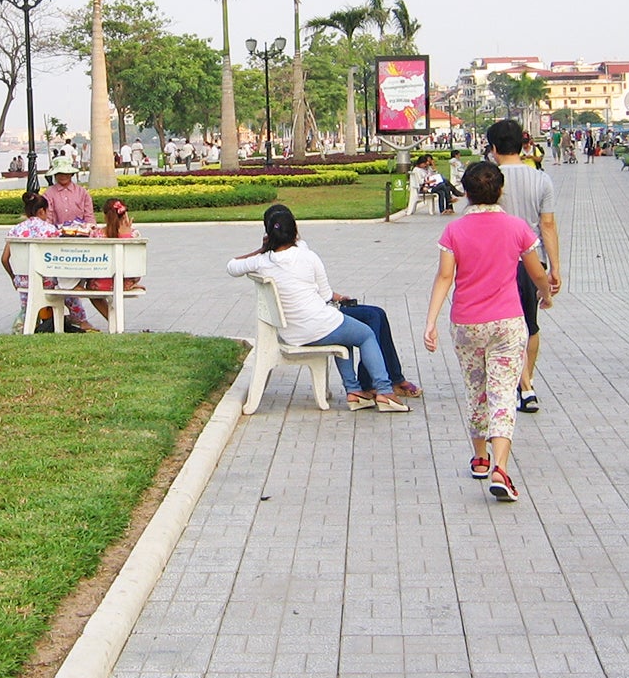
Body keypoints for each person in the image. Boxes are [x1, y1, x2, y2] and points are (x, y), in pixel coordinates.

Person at [423, 161, 554, 503]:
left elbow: (444, 277)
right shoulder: (516, 228)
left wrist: (431, 321)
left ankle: (479, 457)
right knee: (502, 392)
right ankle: (500, 467)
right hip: (507, 323)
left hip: (466, 322)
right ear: (501, 190)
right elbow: (537, 272)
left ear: (465, 192)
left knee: (476, 389)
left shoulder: (453, 232)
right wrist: (546, 293)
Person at [228, 206, 407, 412]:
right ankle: (384, 391)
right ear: (294, 231)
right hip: (317, 325)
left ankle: (355, 392)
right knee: (365, 335)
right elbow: (325, 296)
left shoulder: (261, 262)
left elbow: (231, 266)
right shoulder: (308, 256)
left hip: (292, 333)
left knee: (343, 335)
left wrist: (262, 250)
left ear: (268, 235)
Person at [262, 205, 423, 398]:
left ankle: (394, 377)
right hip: (317, 317)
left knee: (378, 313)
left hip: (309, 315)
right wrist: (334, 297)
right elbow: (323, 294)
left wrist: (338, 297)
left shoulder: (266, 259)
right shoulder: (301, 252)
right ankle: (372, 383)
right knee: (372, 318)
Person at [482, 119, 561, 413]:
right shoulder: (541, 180)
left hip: (496, 263)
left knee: (504, 325)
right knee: (529, 325)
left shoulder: (488, 178)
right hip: (532, 261)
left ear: (492, 148)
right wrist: (554, 267)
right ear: (524, 144)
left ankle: (522, 385)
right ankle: (526, 385)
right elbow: (548, 224)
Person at [0, 191, 92, 333]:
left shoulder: (15, 230)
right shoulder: (50, 230)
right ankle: (81, 320)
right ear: (42, 211)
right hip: (45, 280)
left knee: (30, 297)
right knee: (66, 285)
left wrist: (14, 277)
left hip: (24, 281)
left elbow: (4, 259)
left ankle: (29, 320)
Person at [42, 156, 94, 228]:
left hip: (81, 234)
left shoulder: (82, 193)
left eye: (66, 173)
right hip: (56, 234)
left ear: (71, 174)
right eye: (60, 173)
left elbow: (89, 216)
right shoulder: (48, 194)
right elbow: (48, 218)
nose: (63, 176)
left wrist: (90, 230)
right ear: (55, 175)